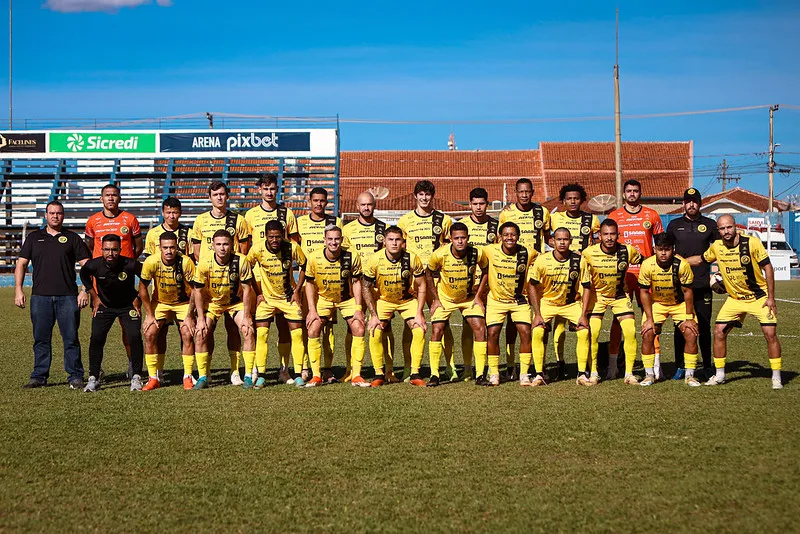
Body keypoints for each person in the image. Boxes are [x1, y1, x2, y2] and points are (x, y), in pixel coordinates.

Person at [686, 215, 783, 389]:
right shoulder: (717, 246)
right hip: (735, 299)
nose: (726, 232)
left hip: (758, 297)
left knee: (770, 333)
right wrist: (679, 261)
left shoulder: (752, 243)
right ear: (718, 230)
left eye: (729, 227)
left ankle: (776, 376)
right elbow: (701, 259)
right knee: (718, 332)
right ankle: (720, 375)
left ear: (735, 227)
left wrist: (771, 298)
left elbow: (768, 268)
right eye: (722, 229)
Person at [15, 200, 90, 389]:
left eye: (59, 213)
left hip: (68, 297)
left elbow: (87, 266)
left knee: (71, 338)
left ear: (63, 216)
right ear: (46, 215)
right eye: (52, 213)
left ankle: (75, 375)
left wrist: (84, 290)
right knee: (41, 338)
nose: (55, 216)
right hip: (40, 297)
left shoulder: (72, 238)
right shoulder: (34, 238)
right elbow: (21, 264)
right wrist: (18, 290)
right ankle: (39, 376)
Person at [191, 181, 251, 385]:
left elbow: (243, 250)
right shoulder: (200, 220)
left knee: (234, 329)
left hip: (232, 284)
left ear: (227, 196)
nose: (219, 198)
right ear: (209, 197)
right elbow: (197, 252)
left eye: (223, 194)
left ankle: (235, 372)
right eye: (215, 194)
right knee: (205, 331)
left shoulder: (239, 220)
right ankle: (204, 373)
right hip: (209, 285)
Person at [85, 183, 144, 377]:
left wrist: (127, 268)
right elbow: (88, 248)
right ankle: (96, 369)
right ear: (101, 199)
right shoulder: (93, 221)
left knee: (130, 329)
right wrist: (90, 290)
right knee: (98, 331)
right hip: (101, 285)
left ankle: (131, 365)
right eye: (107, 195)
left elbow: (138, 247)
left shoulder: (130, 219)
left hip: (125, 281)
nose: (111, 198)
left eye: (114, 195)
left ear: (119, 198)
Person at [397, 180, 454, 380]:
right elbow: (400, 249)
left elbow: (449, 247)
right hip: (413, 278)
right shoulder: (404, 221)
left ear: (432, 196)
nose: (424, 198)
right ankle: (409, 366)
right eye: (420, 194)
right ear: (415, 196)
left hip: (438, 278)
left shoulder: (444, 220)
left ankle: (450, 367)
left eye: (428, 194)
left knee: (442, 322)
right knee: (410, 323)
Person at [607, 179, 663, 379]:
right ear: (623, 194)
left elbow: (661, 244)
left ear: (640, 193)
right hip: (622, 275)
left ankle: (656, 365)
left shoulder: (652, 215)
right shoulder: (614, 216)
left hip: (646, 273)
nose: (632, 194)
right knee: (618, 320)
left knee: (651, 317)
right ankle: (612, 365)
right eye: (629, 191)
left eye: (635, 191)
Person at [362, 226, 427, 387]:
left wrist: (419, 312)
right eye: (390, 239)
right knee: (375, 330)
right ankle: (379, 374)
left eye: (398, 240)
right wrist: (373, 314)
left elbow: (422, 285)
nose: (394, 243)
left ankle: (415, 373)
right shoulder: (375, 259)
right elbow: (365, 287)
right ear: (384, 241)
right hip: (384, 300)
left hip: (407, 300)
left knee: (419, 329)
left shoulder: (412, 259)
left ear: (403, 242)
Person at [426, 222, 489, 386]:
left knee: (480, 328)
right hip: (445, 298)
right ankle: (434, 375)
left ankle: (480, 374)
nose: (460, 241)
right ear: (450, 239)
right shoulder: (439, 254)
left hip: (468, 299)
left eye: (463, 238)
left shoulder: (477, 253)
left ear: (468, 238)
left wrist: (479, 296)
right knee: (437, 330)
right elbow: (428, 273)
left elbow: (486, 270)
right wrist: (436, 299)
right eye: (457, 238)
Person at [305, 225, 369, 387]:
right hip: (324, 299)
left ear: (341, 240)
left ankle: (356, 375)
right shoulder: (313, 257)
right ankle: (317, 376)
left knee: (359, 328)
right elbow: (310, 285)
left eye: (337, 239)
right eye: (330, 239)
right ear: (325, 240)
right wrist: (312, 310)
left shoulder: (351, 256)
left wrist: (358, 308)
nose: (334, 242)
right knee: (313, 329)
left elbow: (356, 282)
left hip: (346, 299)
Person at [498, 178, 550, 379]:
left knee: (541, 316)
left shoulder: (542, 213)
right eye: (521, 192)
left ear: (533, 192)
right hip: (513, 269)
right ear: (515, 193)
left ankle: (540, 364)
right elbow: (499, 239)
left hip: (537, 269)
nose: (524, 195)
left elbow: (548, 237)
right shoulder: (506, 214)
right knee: (513, 318)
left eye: (528, 191)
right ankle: (511, 365)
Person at [191, 230, 256, 390]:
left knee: (248, 330)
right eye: (218, 244)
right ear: (212, 246)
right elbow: (197, 291)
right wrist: (200, 318)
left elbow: (247, 290)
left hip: (235, 303)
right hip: (212, 303)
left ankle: (248, 375)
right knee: (201, 333)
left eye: (226, 244)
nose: (222, 248)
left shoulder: (241, 261)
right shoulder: (205, 263)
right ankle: (203, 376)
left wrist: (247, 316)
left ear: (232, 245)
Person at [528, 227, 593, 386]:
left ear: (570, 241)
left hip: (570, 304)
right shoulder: (542, 260)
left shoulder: (579, 260)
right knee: (537, 331)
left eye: (565, 239)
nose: (562, 242)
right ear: (552, 241)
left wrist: (583, 314)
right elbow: (531, 285)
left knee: (584, 331)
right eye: (559, 239)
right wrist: (537, 313)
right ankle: (539, 374)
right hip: (548, 302)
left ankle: (582, 374)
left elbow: (586, 286)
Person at [666, 188, 719, 380]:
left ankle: (706, 366)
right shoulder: (674, 225)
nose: (691, 205)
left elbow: (719, 251)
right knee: (681, 327)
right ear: (683, 203)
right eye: (688, 201)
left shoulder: (710, 225)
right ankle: (679, 366)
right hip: (679, 286)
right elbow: (666, 250)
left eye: (695, 201)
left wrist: (717, 274)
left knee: (704, 326)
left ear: (700, 203)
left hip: (702, 284)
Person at [80, 235, 144, 392]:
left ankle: (136, 376)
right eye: (107, 250)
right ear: (101, 250)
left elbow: (146, 276)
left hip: (127, 305)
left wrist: (138, 297)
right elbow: (83, 275)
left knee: (134, 336)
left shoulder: (129, 264)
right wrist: (94, 297)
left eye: (114, 250)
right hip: (105, 306)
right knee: (96, 337)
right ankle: (93, 377)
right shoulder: (93, 265)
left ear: (120, 250)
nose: (110, 253)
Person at [547, 183, 599, 379]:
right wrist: (563, 250)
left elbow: (595, 241)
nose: (573, 201)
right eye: (569, 198)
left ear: (582, 200)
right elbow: (547, 238)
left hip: (582, 272)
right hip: (560, 271)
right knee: (559, 323)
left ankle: (584, 366)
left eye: (576, 198)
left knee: (582, 320)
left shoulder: (591, 219)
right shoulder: (554, 218)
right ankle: (560, 362)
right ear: (563, 201)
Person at [247, 220, 308, 387]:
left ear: (283, 235)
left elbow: (304, 265)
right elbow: (247, 268)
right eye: (271, 237)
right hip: (267, 299)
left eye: (278, 237)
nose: (275, 240)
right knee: (261, 334)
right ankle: (261, 375)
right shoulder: (257, 249)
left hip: (288, 297)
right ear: (266, 236)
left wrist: (297, 291)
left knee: (296, 334)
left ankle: (295, 373)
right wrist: (258, 293)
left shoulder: (292, 247)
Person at [582, 219, 642, 385]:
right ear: (599, 236)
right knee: (593, 333)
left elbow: (645, 261)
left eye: (612, 234)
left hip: (619, 296)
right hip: (598, 297)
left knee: (630, 331)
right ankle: (593, 372)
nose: (609, 237)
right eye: (605, 234)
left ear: (618, 235)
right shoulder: (588, 253)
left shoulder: (628, 250)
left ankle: (627, 373)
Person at [638, 233, 700, 386]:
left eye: (667, 249)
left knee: (691, 333)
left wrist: (689, 317)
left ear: (673, 249)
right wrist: (650, 319)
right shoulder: (647, 265)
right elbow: (644, 293)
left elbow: (688, 292)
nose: (663, 253)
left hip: (679, 304)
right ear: (654, 249)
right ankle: (649, 374)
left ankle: (690, 375)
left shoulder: (682, 265)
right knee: (647, 333)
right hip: (658, 303)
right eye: (660, 249)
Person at [138, 232, 197, 390]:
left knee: (187, 333)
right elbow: (142, 288)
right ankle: (153, 378)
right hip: (160, 303)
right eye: (165, 248)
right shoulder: (151, 261)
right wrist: (149, 315)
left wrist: (190, 315)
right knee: (149, 333)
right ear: (160, 248)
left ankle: (188, 376)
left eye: (172, 247)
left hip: (183, 303)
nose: (169, 251)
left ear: (177, 247)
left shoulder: (186, 262)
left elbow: (195, 290)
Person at [342, 191, 389, 381]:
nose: (366, 208)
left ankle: (387, 369)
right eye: (363, 205)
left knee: (384, 327)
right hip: (355, 284)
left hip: (378, 285)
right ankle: (350, 369)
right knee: (353, 326)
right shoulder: (348, 229)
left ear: (374, 205)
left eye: (369, 204)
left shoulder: (383, 229)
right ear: (356, 206)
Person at [297, 187, 342, 381]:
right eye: (315, 200)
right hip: (308, 280)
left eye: (322, 200)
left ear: (327, 202)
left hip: (330, 279)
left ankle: (328, 368)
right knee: (309, 324)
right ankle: (306, 366)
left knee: (328, 327)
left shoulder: (335, 222)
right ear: (309, 201)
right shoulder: (300, 223)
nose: (319, 204)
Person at [484, 222, 535, 386]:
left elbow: (546, 257)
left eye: (513, 234)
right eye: (506, 234)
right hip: (496, 301)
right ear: (500, 237)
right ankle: (494, 373)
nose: (509, 238)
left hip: (518, 301)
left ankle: (524, 374)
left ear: (518, 237)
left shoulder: (527, 252)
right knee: (492, 333)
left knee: (526, 332)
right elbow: (471, 253)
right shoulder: (490, 250)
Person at [458, 187, 498, 380]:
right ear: (470, 204)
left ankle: (491, 367)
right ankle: (467, 366)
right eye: (475, 204)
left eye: (482, 203)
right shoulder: (462, 225)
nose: (479, 207)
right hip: (467, 284)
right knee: (470, 325)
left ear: (487, 204)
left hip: (491, 282)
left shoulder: (496, 226)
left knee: (491, 327)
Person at [245, 173, 300, 244]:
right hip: (259, 255)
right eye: (265, 189)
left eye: (272, 189)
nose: (269, 193)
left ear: (277, 189)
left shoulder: (287, 213)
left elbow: (294, 243)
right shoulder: (250, 214)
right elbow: (247, 245)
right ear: (259, 190)